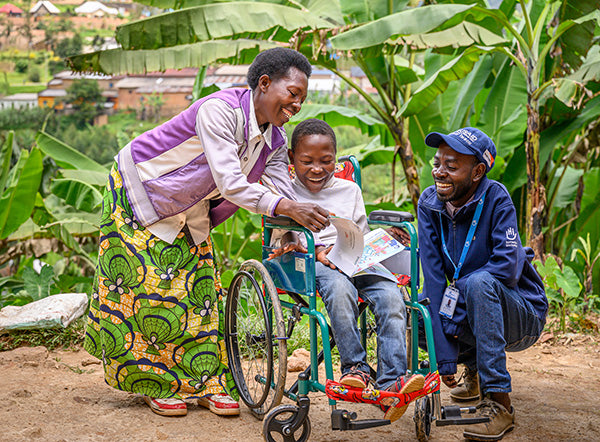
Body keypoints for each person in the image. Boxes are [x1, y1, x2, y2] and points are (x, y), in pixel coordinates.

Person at [84, 48, 330, 418]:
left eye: (302, 99)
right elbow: (231, 183)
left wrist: (292, 236)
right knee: (147, 291)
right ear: (264, 84)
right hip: (142, 190)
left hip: (193, 209)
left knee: (200, 293)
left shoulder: (276, 142)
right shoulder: (219, 111)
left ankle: (204, 382)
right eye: (292, 94)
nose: (297, 105)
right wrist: (287, 208)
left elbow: (282, 196)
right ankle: (156, 384)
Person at [270, 119, 424, 423]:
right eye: (307, 161)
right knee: (341, 291)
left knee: (392, 295)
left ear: (336, 159)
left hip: (353, 258)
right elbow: (283, 237)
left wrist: (384, 239)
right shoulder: (284, 192)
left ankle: (392, 380)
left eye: (326, 161)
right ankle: (355, 369)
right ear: (291, 158)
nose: (317, 168)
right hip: (310, 260)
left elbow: (359, 232)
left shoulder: (349, 189)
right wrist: (316, 251)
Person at [417, 127, 548, 441]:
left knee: (479, 284)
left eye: (451, 166)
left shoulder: (496, 197)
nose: (439, 172)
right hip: (473, 302)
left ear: (477, 172)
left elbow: (508, 267)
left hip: (521, 313)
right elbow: (434, 278)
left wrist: (456, 293)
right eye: (438, 163)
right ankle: (472, 369)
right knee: (420, 313)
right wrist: (445, 359)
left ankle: (499, 403)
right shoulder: (429, 203)